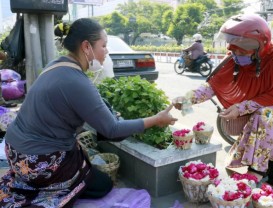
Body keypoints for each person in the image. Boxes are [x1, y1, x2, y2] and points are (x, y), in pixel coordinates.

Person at [0, 18, 177, 207]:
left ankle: (38, 182)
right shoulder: (76, 81)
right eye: (103, 45)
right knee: (103, 185)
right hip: (36, 161)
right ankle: (47, 189)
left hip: (15, 152)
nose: (106, 52)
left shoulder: (57, 65)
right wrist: (156, 119)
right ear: (86, 46)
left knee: (82, 159)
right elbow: (112, 130)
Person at [173, 14, 273, 188]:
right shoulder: (236, 56)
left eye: (242, 52)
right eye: (234, 51)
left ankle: (258, 171)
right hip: (270, 95)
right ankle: (272, 176)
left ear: (260, 46)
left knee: (266, 117)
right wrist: (187, 100)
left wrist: (241, 107)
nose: (236, 55)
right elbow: (214, 84)